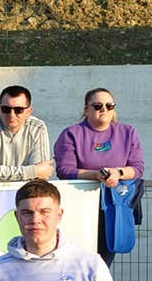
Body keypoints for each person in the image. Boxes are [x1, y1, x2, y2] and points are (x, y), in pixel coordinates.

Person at [54, 87, 145, 262]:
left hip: (114, 206)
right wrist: (96, 175)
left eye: (109, 105)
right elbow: (65, 170)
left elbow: (138, 168)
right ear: (86, 110)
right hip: (82, 206)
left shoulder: (128, 132)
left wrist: (118, 172)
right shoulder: (71, 134)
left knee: (103, 262)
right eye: (97, 106)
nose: (104, 109)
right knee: (79, 260)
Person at [0, 85, 54, 182]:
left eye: (18, 110)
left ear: (29, 111)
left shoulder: (37, 128)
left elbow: (41, 176)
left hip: (27, 189)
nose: (11, 115)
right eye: (6, 109)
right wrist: (32, 171)